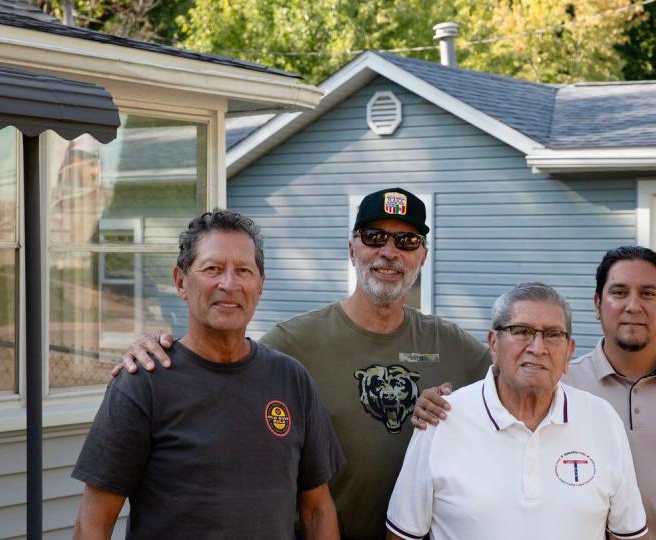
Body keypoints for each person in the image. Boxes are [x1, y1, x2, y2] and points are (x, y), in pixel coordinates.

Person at [114, 188, 491, 540]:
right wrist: (162, 351)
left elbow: (524, 380)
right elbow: (220, 369)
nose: (389, 252)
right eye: (374, 237)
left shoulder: (452, 345)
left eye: (406, 241)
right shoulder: (293, 344)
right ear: (352, 249)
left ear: (423, 255)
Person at [414, 246, 656, 540]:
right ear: (598, 304)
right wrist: (433, 401)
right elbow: (492, 391)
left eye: (648, 294)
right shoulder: (558, 386)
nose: (633, 305)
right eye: (619, 292)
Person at [71, 210, 344, 540]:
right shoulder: (144, 382)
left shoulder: (292, 380)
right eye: (212, 269)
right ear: (180, 282)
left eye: (243, 270)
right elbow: (93, 523)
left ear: (260, 285)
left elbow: (317, 509)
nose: (229, 284)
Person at [386, 283, 648, 540]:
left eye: (553, 334)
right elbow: (402, 535)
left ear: (569, 352)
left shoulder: (602, 419)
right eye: (521, 331)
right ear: (494, 344)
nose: (537, 347)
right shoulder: (442, 419)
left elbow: (628, 534)